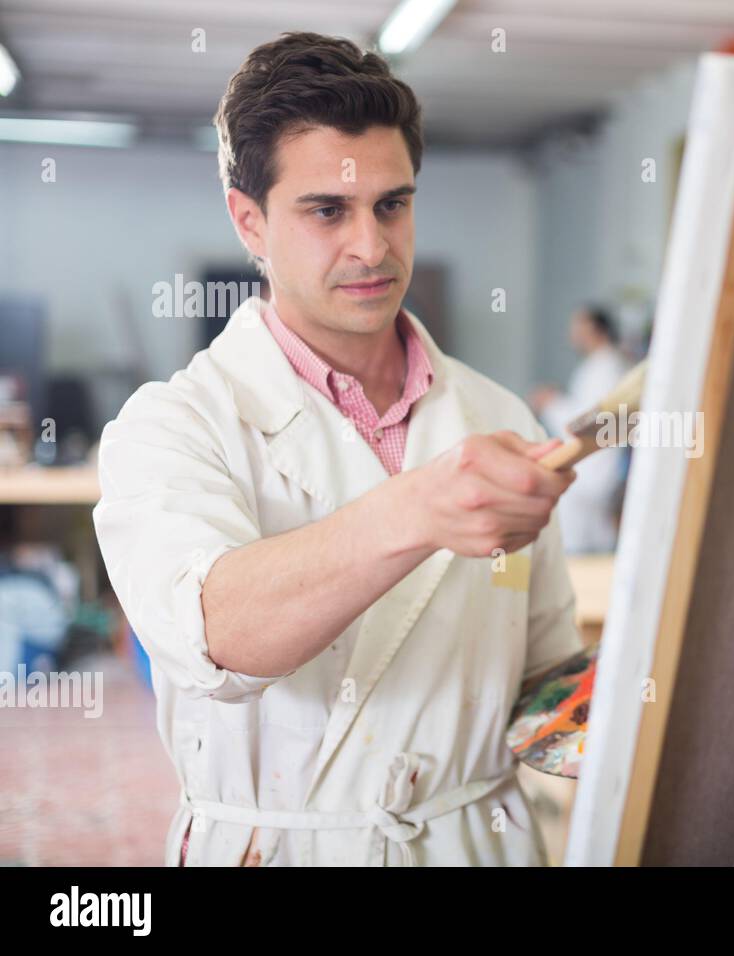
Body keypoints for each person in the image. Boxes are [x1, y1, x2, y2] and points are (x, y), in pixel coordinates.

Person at [91, 33, 581, 867]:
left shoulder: (493, 412)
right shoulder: (172, 426)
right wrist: (418, 507)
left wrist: (649, 705)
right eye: (328, 210)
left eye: (393, 204)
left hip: (475, 842)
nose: (373, 246)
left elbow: (544, 677)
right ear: (250, 220)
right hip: (273, 846)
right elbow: (217, 635)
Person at [531, 306, 631, 553]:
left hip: (595, 468)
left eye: (579, 327)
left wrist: (552, 402)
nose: (572, 334)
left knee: (585, 542)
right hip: (592, 466)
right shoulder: (599, 366)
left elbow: (591, 422)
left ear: (596, 329)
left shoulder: (607, 367)